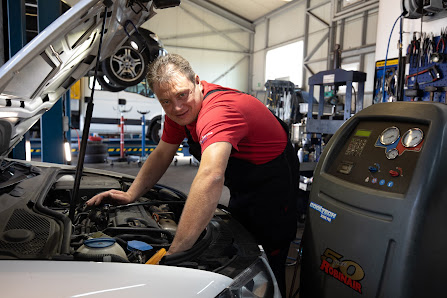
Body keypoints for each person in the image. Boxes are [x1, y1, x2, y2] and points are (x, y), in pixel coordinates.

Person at [87, 53, 300, 296]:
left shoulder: (218, 112)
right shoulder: (180, 112)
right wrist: (131, 194)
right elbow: (162, 153)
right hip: (244, 186)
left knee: (265, 264)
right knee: (241, 245)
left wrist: (176, 252)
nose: (176, 107)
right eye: (165, 101)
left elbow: (211, 176)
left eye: (182, 95)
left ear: (197, 81)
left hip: (274, 192)